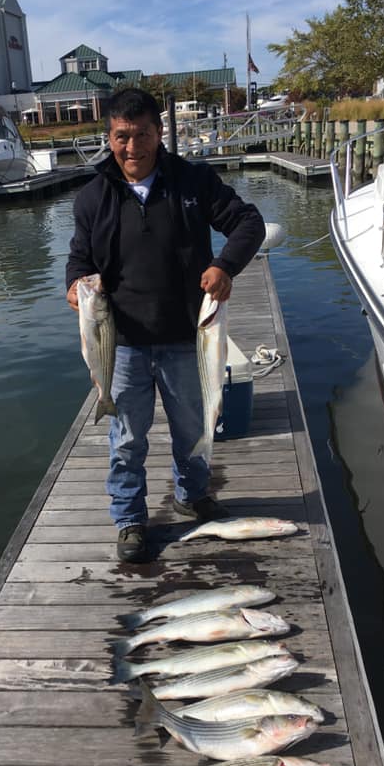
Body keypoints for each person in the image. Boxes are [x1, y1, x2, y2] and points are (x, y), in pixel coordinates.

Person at [66, 88, 265, 563]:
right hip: (123, 343)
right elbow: (79, 258)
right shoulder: (93, 197)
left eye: (141, 135)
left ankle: (191, 494)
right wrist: (74, 285)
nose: (131, 147)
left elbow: (248, 223)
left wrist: (225, 267)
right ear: (108, 137)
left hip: (185, 336)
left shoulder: (192, 182)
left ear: (158, 133)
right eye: (120, 137)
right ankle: (130, 518)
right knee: (127, 438)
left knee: (192, 427)